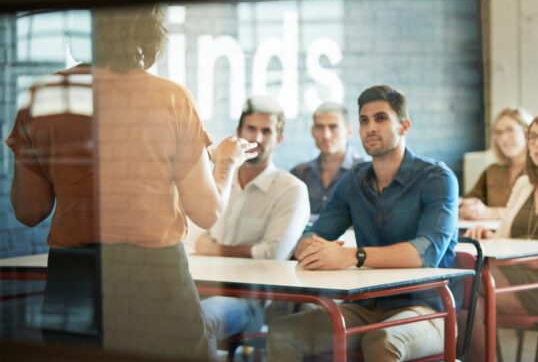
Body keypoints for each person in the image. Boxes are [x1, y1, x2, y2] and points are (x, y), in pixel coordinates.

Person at [6, 5, 255, 361]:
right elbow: (206, 211)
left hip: (74, 277)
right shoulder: (171, 98)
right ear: (147, 31)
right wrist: (227, 163)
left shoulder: (42, 99)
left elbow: (29, 211)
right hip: (154, 277)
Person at [266, 85, 460, 362]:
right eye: (364, 120)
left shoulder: (437, 178)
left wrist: (350, 256)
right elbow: (311, 236)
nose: (370, 127)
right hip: (366, 305)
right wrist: (312, 248)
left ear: (404, 126)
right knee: (283, 332)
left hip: (429, 309)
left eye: (381, 118)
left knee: (382, 341)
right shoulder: (355, 180)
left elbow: (424, 254)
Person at [194, 95, 310, 360]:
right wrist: (230, 249)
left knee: (200, 317)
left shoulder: (291, 190)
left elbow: (272, 254)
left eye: (266, 131)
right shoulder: (219, 181)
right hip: (201, 289)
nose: (257, 137)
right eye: (251, 129)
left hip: (252, 303)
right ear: (239, 133)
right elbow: (196, 240)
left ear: (279, 139)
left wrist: (216, 249)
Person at [464, 114, 538, 360]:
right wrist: (489, 236)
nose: (536, 143)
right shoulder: (524, 184)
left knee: (470, 286)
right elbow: (506, 234)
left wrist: (532, 261)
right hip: (512, 274)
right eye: (532, 137)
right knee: (468, 287)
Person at [291, 101, 366, 218]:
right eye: (320, 127)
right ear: (312, 132)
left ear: (349, 132)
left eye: (333, 127)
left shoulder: (367, 173)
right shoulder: (299, 174)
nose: (326, 135)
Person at [459, 107, 533, 220]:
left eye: (510, 130)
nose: (503, 139)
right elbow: (468, 201)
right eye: (498, 133)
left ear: (527, 132)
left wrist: (489, 213)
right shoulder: (492, 171)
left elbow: (535, 215)